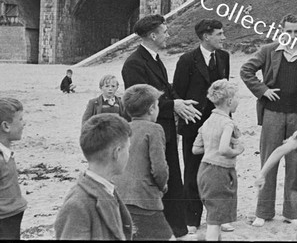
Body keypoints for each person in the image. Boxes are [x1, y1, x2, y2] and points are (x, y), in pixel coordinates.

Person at [240, 14, 297, 226]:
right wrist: (263, 90)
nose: (292, 35)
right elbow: (246, 70)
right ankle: (263, 212)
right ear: (281, 31)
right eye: (288, 31)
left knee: (295, 164)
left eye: (296, 31)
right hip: (272, 112)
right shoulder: (268, 51)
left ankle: (292, 213)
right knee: (269, 161)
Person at [121, 14, 201, 238]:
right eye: (164, 31)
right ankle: (173, 230)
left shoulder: (154, 59)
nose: (168, 35)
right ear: (153, 35)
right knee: (161, 176)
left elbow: (165, 89)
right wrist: (173, 104)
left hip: (163, 126)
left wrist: (179, 101)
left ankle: (178, 229)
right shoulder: (134, 63)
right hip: (149, 129)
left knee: (173, 176)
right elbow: (139, 100)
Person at [173, 19, 230, 234]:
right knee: (193, 170)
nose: (223, 38)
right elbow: (177, 91)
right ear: (206, 36)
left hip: (220, 122)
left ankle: (219, 217)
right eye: (220, 34)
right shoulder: (187, 60)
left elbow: (224, 90)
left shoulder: (224, 57)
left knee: (220, 171)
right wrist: (184, 111)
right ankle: (192, 219)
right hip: (193, 124)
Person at [54, 114, 133, 240]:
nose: (129, 154)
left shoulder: (107, 190)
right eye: (128, 149)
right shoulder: (77, 205)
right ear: (116, 153)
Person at [113, 84, 173, 241]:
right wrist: (162, 185)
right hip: (145, 199)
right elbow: (159, 168)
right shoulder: (154, 129)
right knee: (164, 236)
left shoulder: (124, 128)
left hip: (120, 196)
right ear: (152, 109)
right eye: (158, 105)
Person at [192, 80, 244, 241]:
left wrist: (211, 147)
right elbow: (223, 149)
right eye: (237, 98)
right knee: (215, 219)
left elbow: (195, 149)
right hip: (219, 171)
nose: (238, 101)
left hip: (204, 169)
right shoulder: (227, 123)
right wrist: (237, 150)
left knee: (214, 213)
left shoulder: (207, 122)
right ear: (229, 101)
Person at [0, 98, 27, 240]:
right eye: (20, 119)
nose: (24, 123)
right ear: (6, 126)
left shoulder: (6, 153)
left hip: (12, 218)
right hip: (4, 222)